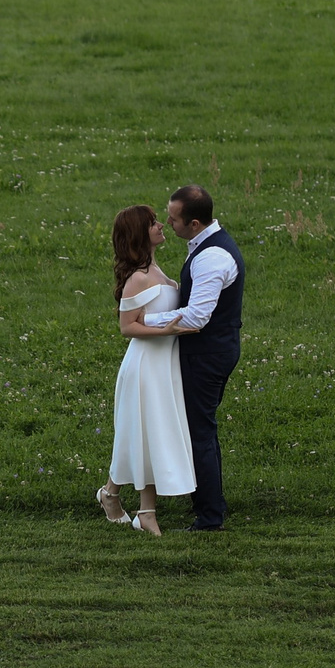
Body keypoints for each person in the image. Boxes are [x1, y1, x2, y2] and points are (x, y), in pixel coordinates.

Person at [135, 184, 243, 531]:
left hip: (207, 355)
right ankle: (210, 504)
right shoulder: (204, 245)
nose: (167, 222)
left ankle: (210, 517)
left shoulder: (212, 256)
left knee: (199, 432)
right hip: (211, 351)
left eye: (173, 218)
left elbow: (196, 318)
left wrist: (142, 321)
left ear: (194, 223)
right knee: (201, 430)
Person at [94, 205, 194, 536]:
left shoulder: (157, 269)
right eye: (153, 223)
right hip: (144, 366)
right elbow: (127, 327)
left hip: (164, 366)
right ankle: (144, 512)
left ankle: (112, 495)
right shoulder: (137, 278)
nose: (161, 225)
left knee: (147, 435)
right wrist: (166, 333)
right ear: (140, 233)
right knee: (142, 435)